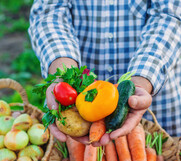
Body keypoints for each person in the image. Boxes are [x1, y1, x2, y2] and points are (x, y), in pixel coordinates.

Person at [28, 0, 181, 145]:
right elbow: (49, 12)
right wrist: (64, 72)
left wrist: (141, 81)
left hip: (157, 98)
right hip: (78, 102)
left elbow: (170, 15)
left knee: (166, 154)